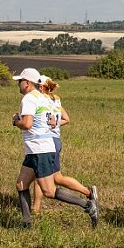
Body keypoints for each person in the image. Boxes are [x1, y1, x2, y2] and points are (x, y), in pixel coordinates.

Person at [11, 68, 98, 229]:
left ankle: (88, 206)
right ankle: (26, 225)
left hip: (39, 150)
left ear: (28, 83)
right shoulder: (45, 98)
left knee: (49, 191)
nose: (18, 84)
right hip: (39, 148)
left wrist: (16, 121)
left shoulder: (29, 99)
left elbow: (27, 124)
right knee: (21, 184)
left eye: (20, 81)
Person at [31, 75, 98, 215]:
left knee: (41, 178)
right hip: (55, 140)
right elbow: (66, 119)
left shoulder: (42, 100)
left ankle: (35, 210)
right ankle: (89, 193)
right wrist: (55, 126)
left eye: (37, 86)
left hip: (47, 141)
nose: (35, 89)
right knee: (56, 178)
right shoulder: (56, 99)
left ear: (42, 87)